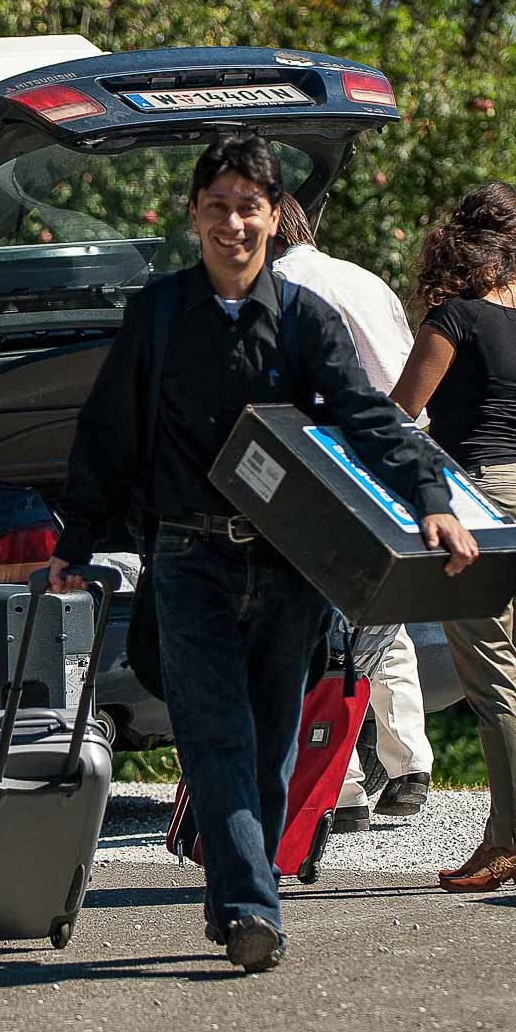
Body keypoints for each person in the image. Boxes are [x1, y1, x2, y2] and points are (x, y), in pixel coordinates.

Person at [48, 135, 478, 972]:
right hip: (187, 561)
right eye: (219, 206)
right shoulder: (160, 314)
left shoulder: (306, 319)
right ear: (194, 215)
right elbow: (107, 433)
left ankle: (238, 893)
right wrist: (75, 538)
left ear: (277, 218)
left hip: (288, 568)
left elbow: (368, 418)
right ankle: (252, 905)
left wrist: (431, 500)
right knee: (215, 737)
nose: (235, 223)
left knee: (274, 743)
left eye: (251, 206)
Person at [391, 182, 516, 893]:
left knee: (492, 678)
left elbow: (400, 413)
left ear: (460, 241)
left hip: (481, 500)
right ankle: (502, 835)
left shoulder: (454, 317)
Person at [269, 195, 436, 827]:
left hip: (333, 461)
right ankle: (408, 764)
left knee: (319, 620)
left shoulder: (278, 286)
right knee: (377, 607)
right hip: (405, 453)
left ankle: (338, 786)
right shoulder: (363, 279)